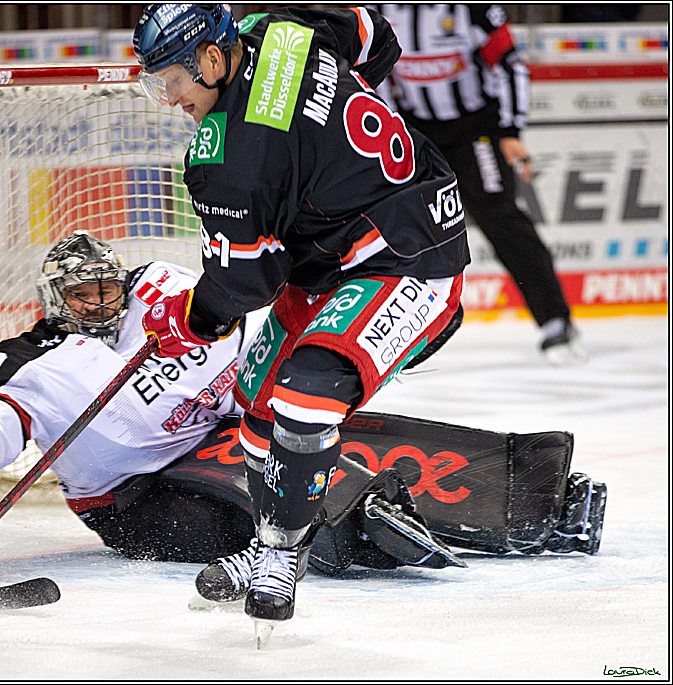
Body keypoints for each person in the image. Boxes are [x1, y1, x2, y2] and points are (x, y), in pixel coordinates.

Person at [0, 232, 605, 622]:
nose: (98, 300)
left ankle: (530, 495)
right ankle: (360, 533)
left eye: (105, 286)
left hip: (225, 432)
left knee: (343, 436)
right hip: (137, 499)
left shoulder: (165, 293)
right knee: (287, 513)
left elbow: (252, 317)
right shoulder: (35, 358)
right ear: (54, 299)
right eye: (80, 293)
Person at [132, 4, 471, 632]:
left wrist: (193, 320)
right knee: (256, 405)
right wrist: (326, 143)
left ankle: (281, 552)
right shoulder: (282, 27)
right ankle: (272, 530)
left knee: (306, 397)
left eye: (172, 81)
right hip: (334, 261)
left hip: (408, 258)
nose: (171, 100)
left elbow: (245, 283)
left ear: (211, 58)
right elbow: (376, 36)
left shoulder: (225, 161)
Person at [368, 3, 587, 365]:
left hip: (475, 131)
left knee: (502, 220)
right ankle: (396, 334)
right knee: (402, 228)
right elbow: (372, 74)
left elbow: (509, 64)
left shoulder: (475, 8)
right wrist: (387, 133)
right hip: (415, 134)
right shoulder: (376, 10)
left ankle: (554, 320)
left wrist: (510, 130)